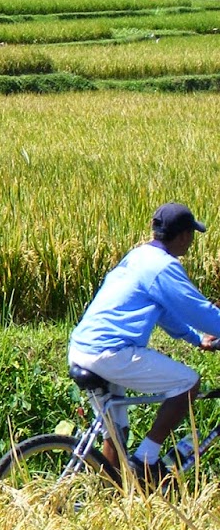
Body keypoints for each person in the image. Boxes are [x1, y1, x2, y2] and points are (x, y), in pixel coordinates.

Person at [68, 202, 220, 488]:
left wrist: (197, 339)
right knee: (188, 384)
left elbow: (164, 311)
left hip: (83, 348)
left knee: (115, 430)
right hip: (110, 352)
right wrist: (208, 328)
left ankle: (111, 495)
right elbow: (198, 310)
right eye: (192, 236)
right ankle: (146, 459)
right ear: (185, 235)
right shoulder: (164, 267)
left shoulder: (139, 256)